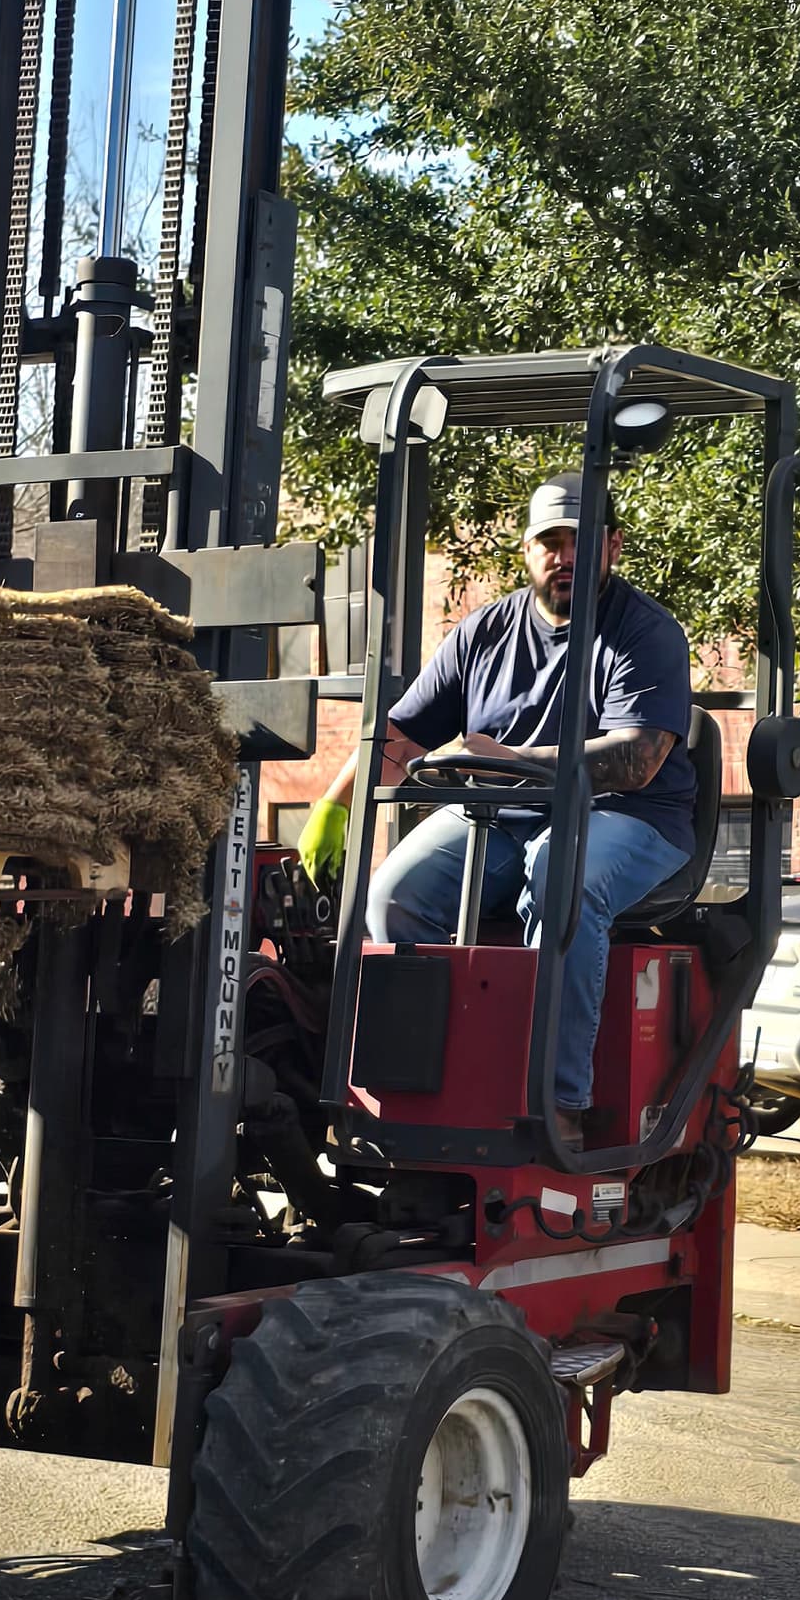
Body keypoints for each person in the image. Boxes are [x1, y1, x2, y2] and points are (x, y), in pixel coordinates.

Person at [296, 476, 696, 1145]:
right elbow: (399, 733)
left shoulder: (644, 633)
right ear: (526, 550)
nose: (565, 557)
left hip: (633, 818)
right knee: (395, 894)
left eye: (582, 541)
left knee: (560, 875)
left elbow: (639, 759)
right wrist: (334, 807)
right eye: (550, 542)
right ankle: (425, 1086)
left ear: (614, 547)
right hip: (503, 815)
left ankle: (557, 1103)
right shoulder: (484, 632)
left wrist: (506, 756)